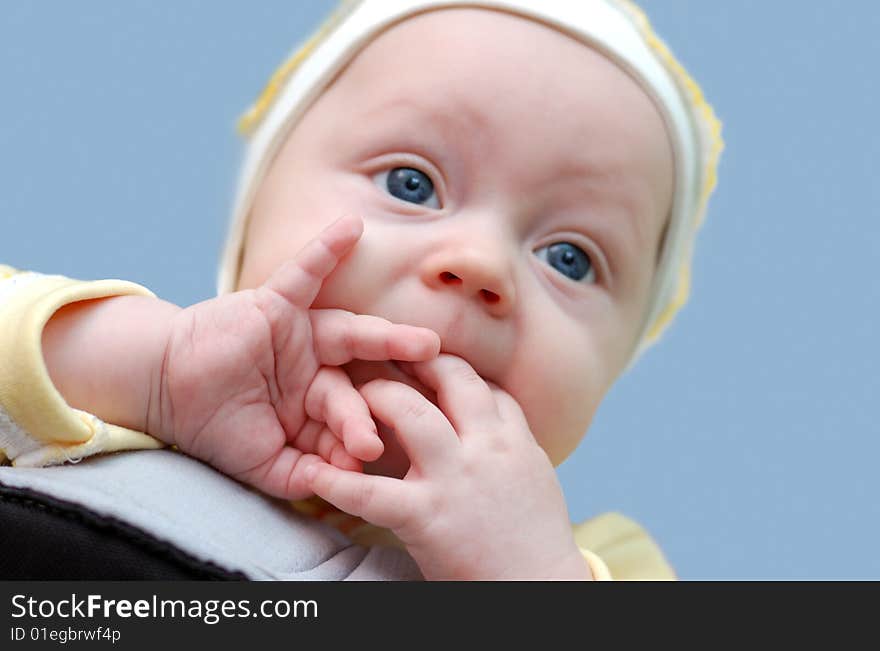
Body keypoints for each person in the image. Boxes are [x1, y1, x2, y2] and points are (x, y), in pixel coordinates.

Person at [0, 0, 722, 580]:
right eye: (412, 184)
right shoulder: (118, 372)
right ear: (251, 225)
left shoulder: (610, 566)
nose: (479, 264)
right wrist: (152, 373)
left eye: (569, 257)